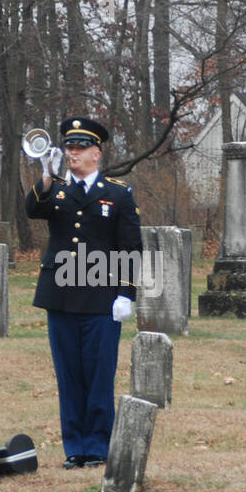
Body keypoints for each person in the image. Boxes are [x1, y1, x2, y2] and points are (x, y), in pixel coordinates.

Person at [25, 117, 143, 469]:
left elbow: (130, 246)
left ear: (97, 153)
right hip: (60, 296)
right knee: (69, 374)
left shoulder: (118, 194)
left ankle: (98, 447)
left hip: (100, 297)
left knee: (99, 373)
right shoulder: (56, 189)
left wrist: (126, 293)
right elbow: (32, 210)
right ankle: (74, 447)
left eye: (79, 148)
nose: (72, 153)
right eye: (69, 147)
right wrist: (46, 174)